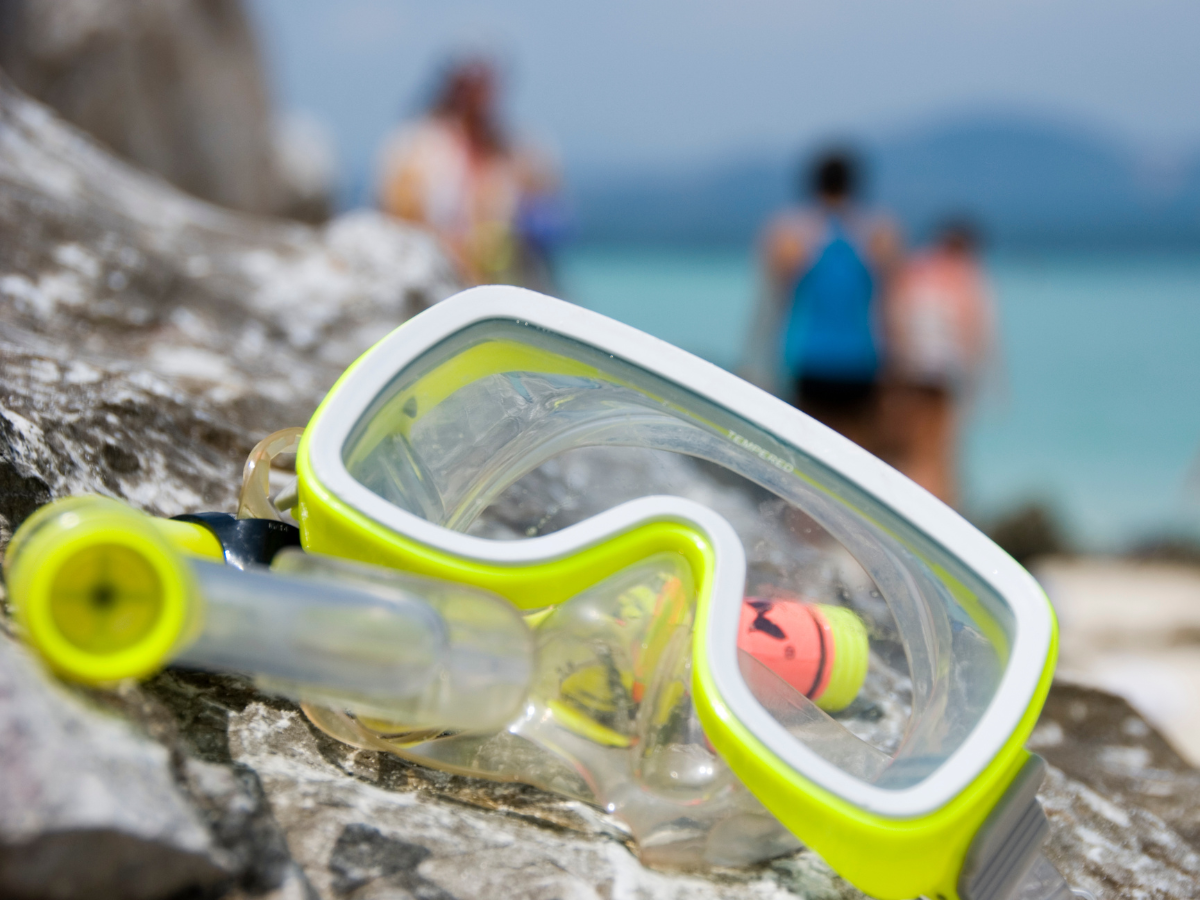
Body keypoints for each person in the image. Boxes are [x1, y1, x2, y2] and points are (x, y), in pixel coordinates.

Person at [748, 150, 900, 451]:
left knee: (807, 452)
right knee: (858, 453)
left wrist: (758, 361)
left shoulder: (791, 235)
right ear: (855, 184)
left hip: (809, 357)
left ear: (813, 184)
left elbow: (771, 306)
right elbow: (889, 306)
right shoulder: (877, 234)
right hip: (861, 359)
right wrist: (895, 363)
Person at [376, 59, 521, 284]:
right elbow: (396, 215)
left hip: (489, 280)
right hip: (426, 275)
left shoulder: (507, 150)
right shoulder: (416, 145)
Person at [885, 219, 996, 506]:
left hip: (909, 370)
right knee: (939, 452)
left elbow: (893, 318)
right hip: (943, 373)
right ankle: (937, 510)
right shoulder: (964, 275)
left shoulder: (916, 269)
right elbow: (975, 332)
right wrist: (977, 385)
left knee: (912, 448)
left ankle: (909, 505)